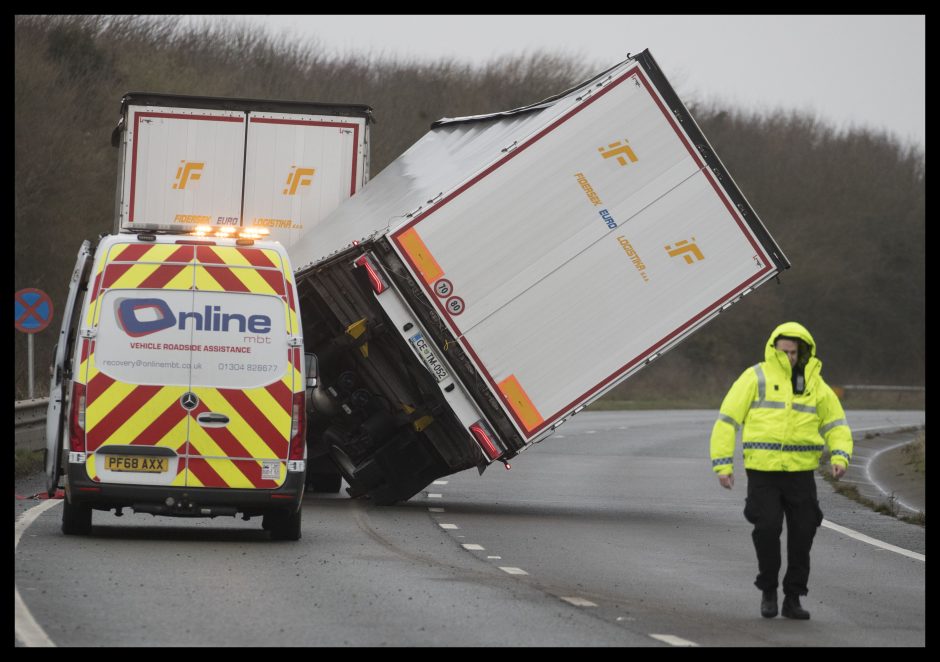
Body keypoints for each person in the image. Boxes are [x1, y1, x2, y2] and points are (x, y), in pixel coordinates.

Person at [709, 322, 853, 620]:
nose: (788, 356)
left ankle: (794, 597)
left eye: (793, 351)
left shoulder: (815, 383)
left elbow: (836, 424)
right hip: (763, 472)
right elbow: (727, 421)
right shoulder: (755, 377)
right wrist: (723, 465)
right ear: (773, 348)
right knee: (767, 528)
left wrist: (840, 456)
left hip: (801, 474)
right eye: (783, 350)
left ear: (802, 351)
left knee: (803, 533)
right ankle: (768, 590)